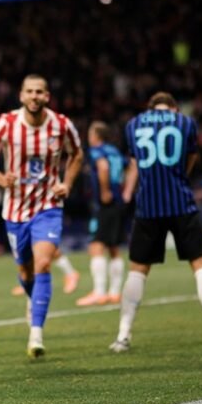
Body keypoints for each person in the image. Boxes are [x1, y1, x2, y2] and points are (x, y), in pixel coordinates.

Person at [109, 92, 202, 352]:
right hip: (182, 203)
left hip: (148, 206)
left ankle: (123, 336)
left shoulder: (133, 124)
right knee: (201, 264)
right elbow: (191, 158)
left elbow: (136, 162)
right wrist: (179, 178)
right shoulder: (185, 122)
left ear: (149, 107)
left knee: (137, 269)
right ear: (174, 107)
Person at [0, 74, 83, 359]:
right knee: (25, 271)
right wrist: (2, 179)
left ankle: (36, 333)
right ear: (22, 96)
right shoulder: (7, 124)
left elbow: (77, 155)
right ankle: (31, 297)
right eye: (29, 92)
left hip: (48, 206)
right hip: (16, 211)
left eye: (40, 92)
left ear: (47, 96)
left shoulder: (61, 125)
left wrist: (67, 184)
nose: (35, 96)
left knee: (44, 263)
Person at [76, 121, 126, 306]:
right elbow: (130, 167)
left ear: (96, 136)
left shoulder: (98, 151)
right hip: (119, 202)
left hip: (105, 204)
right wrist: (126, 191)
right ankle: (114, 293)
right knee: (114, 248)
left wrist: (104, 190)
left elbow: (103, 167)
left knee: (96, 246)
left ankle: (99, 292)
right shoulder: (115, 151)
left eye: (90, 133)